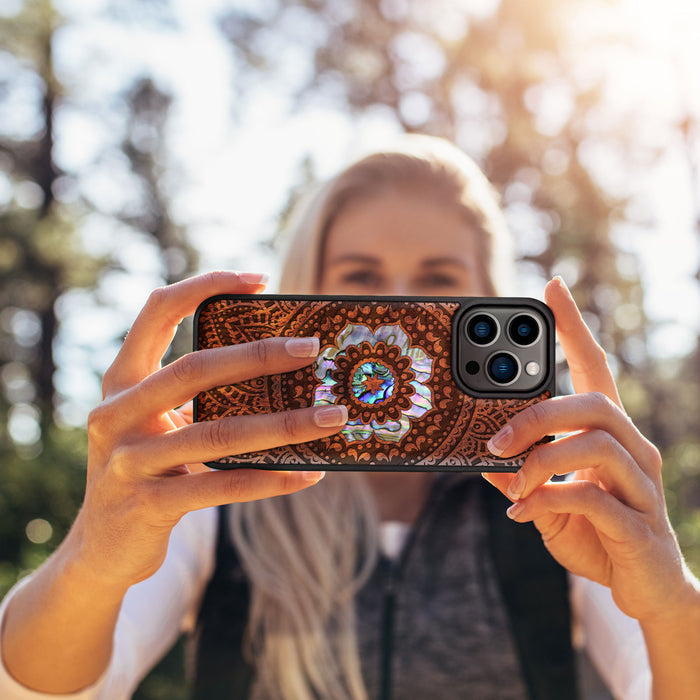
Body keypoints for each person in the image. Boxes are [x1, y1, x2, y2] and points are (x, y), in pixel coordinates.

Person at [1, 135, 699, 700]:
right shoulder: (218, 495)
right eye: (360, 278)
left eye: (437, 281)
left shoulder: (554, 501)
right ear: (307, 290)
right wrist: (94, 557)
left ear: (487, 299)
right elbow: (48, 690)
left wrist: (670, 604)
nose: (396, 307)